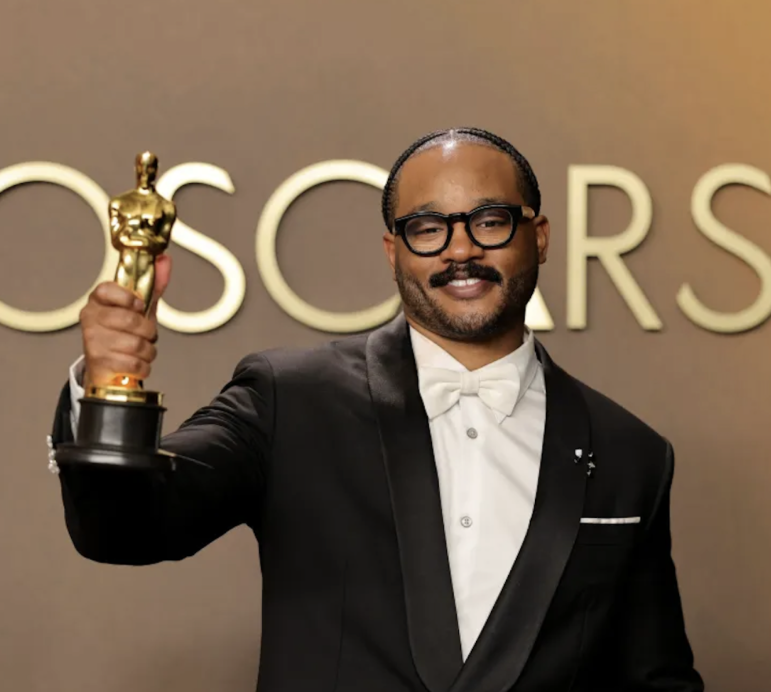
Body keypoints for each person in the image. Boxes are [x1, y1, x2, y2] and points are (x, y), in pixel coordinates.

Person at [48, 127, 705, 691]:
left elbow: (655, 677)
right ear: (393, 252)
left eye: (489, 220)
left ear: (540, 236)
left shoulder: (631, 452)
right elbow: (125, 530)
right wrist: (112, 386)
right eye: (427, 228)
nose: (460, 249)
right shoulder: (288, 399)